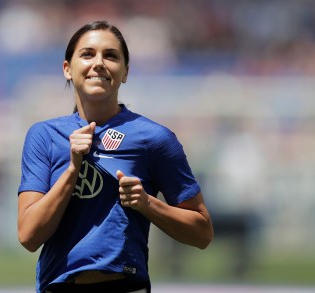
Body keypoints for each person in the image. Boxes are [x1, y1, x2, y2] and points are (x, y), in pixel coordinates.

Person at [17, 20, 213, 293]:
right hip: (58, 286)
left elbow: (202, 233)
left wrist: (146, 203)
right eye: (87, 54)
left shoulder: (154, 139)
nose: (99, 63)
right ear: (67, 69)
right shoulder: (43, 136)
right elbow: (28, 235)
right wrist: (73, 170)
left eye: (110, 55)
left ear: (125, 72)